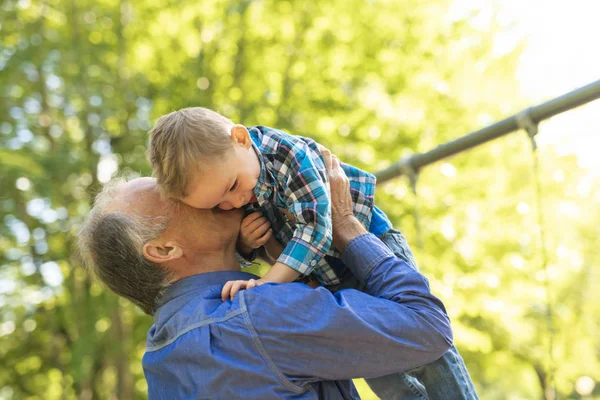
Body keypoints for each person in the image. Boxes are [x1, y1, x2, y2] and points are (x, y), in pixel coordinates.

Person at [147, 107, 478, 399]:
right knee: (380, 367)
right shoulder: (237, 178)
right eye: (219, 205)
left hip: (365, 247)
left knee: (429, 354)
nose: (233, 203)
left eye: (232, 188)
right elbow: (262, 248)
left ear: (241, 139)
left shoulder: (288, 155)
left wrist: (268, 284)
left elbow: (316, 231)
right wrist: (248, 243)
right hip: (328, 274)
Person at [77, 149, 455, 399]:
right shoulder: (252, 315)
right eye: (171, 193)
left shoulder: (160, 359)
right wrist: (346, 228)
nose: (188, 184)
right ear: (163, 249)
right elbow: (428, 327)